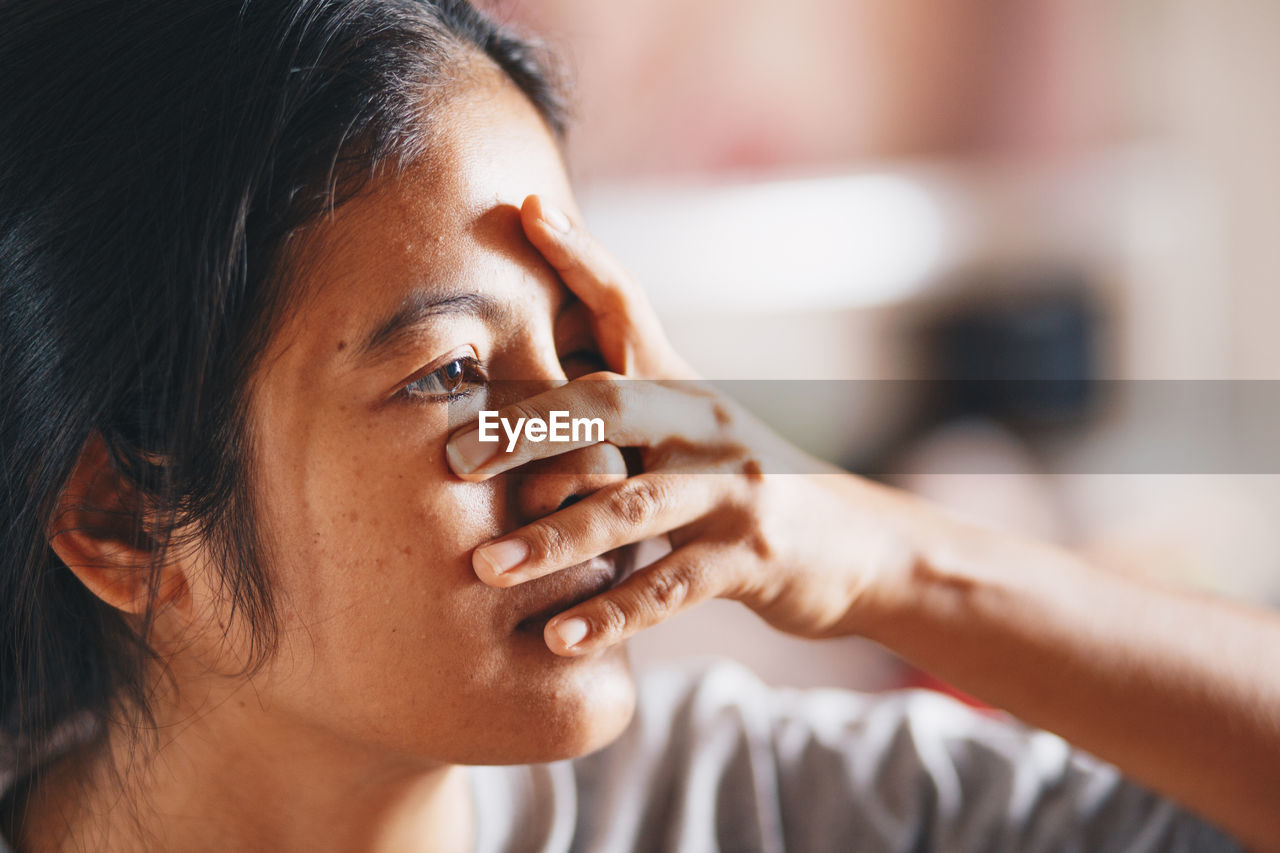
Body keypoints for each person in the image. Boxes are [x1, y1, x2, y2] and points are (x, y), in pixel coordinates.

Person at [0, 1, 1274, 850]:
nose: (587, 441)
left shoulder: (752, 807)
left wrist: (885, 556)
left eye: (587, 348)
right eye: (451, 376)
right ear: (123, 514)